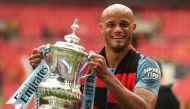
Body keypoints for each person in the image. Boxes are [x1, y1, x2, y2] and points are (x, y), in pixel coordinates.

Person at [29, 4, 161, 109]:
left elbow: (144, 107)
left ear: (133, 28)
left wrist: (106, 76)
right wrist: (42, 73)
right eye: (111, 25)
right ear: (101, 28)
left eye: (124, 24)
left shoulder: (146, 66)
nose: (118, 29)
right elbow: (57, 103)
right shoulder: (82, 66)